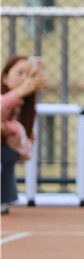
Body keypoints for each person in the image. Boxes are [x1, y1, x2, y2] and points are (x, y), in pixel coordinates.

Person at [1, 55, 46, 215]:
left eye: (28, 75)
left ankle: (3, 198)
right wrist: (18, 93)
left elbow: (27, 147)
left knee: (7, 154)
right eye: (19, 73)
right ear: (5, 77)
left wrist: (13, 130)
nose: (25, 79)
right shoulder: (8, 98)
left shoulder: (25, 107)